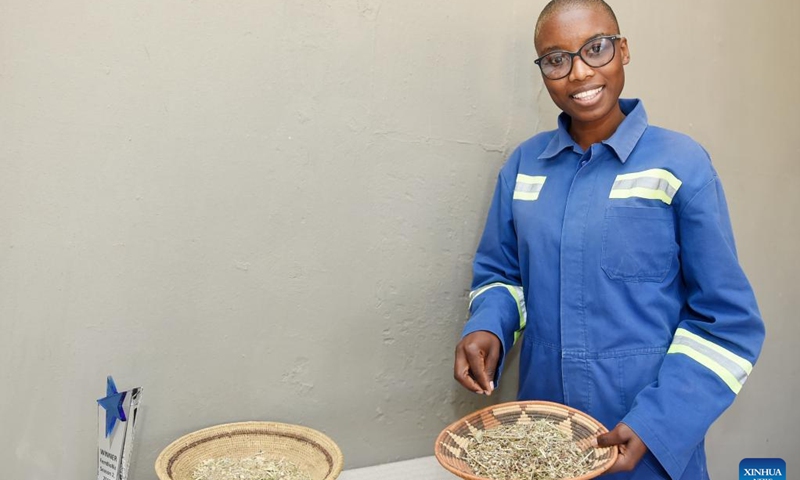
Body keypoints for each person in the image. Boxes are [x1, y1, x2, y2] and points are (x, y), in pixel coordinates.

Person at [452, 1, 765, 478]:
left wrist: (658, 423)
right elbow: (502, 274)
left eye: (595, 49)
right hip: (543, 438)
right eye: (556, 59)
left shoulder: (680, 164)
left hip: (648, 448)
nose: (578, 73)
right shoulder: (524, 167)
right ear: (542, 71)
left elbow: (726, 324)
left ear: (623, 50)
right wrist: (488, 325)